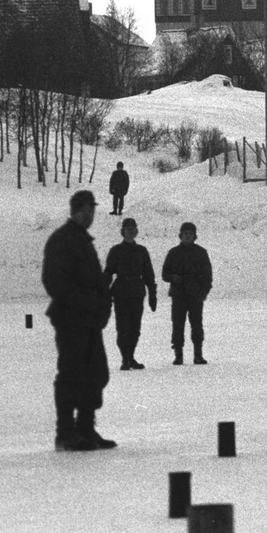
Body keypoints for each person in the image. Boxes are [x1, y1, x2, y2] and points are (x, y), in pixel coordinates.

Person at [41, 190, 117, 451]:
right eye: (85, 211)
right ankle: (65, 433)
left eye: (92, 211)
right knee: (71, 374)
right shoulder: (62, 240)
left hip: (90, 321)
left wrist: (103, 308)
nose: (90, 216)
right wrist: (88, 304)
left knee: (95, 374)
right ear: (74, 211)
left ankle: (85, 428)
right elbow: (55, 283)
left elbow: (98, 283)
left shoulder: (84, 242)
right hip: (71, 320)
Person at [104, 217, 157, 370]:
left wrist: (152, 294)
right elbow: (108, 273)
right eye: (128, 229)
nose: (131, 231)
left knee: (135, 328)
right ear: (123, 232)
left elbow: (149, 274)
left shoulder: (142, 251)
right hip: (120, 293)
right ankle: (125, 359)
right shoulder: (116, 251)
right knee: (122, 328)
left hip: (137, 292)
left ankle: (131, 357)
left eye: (133, 228)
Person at [161, 221, 213, 365]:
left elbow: (208, 276)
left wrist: (203, 292)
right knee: (178, 325)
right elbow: (165, 274)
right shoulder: (173, 253)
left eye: (190, 234)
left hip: (195, 296)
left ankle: (198, 354)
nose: (188, 236)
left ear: (195, 236)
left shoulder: (201, 253)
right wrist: (173, 277)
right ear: (180, 235)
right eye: (185, 234)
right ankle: (178, 355)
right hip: (178, 296)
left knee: (196, 325)